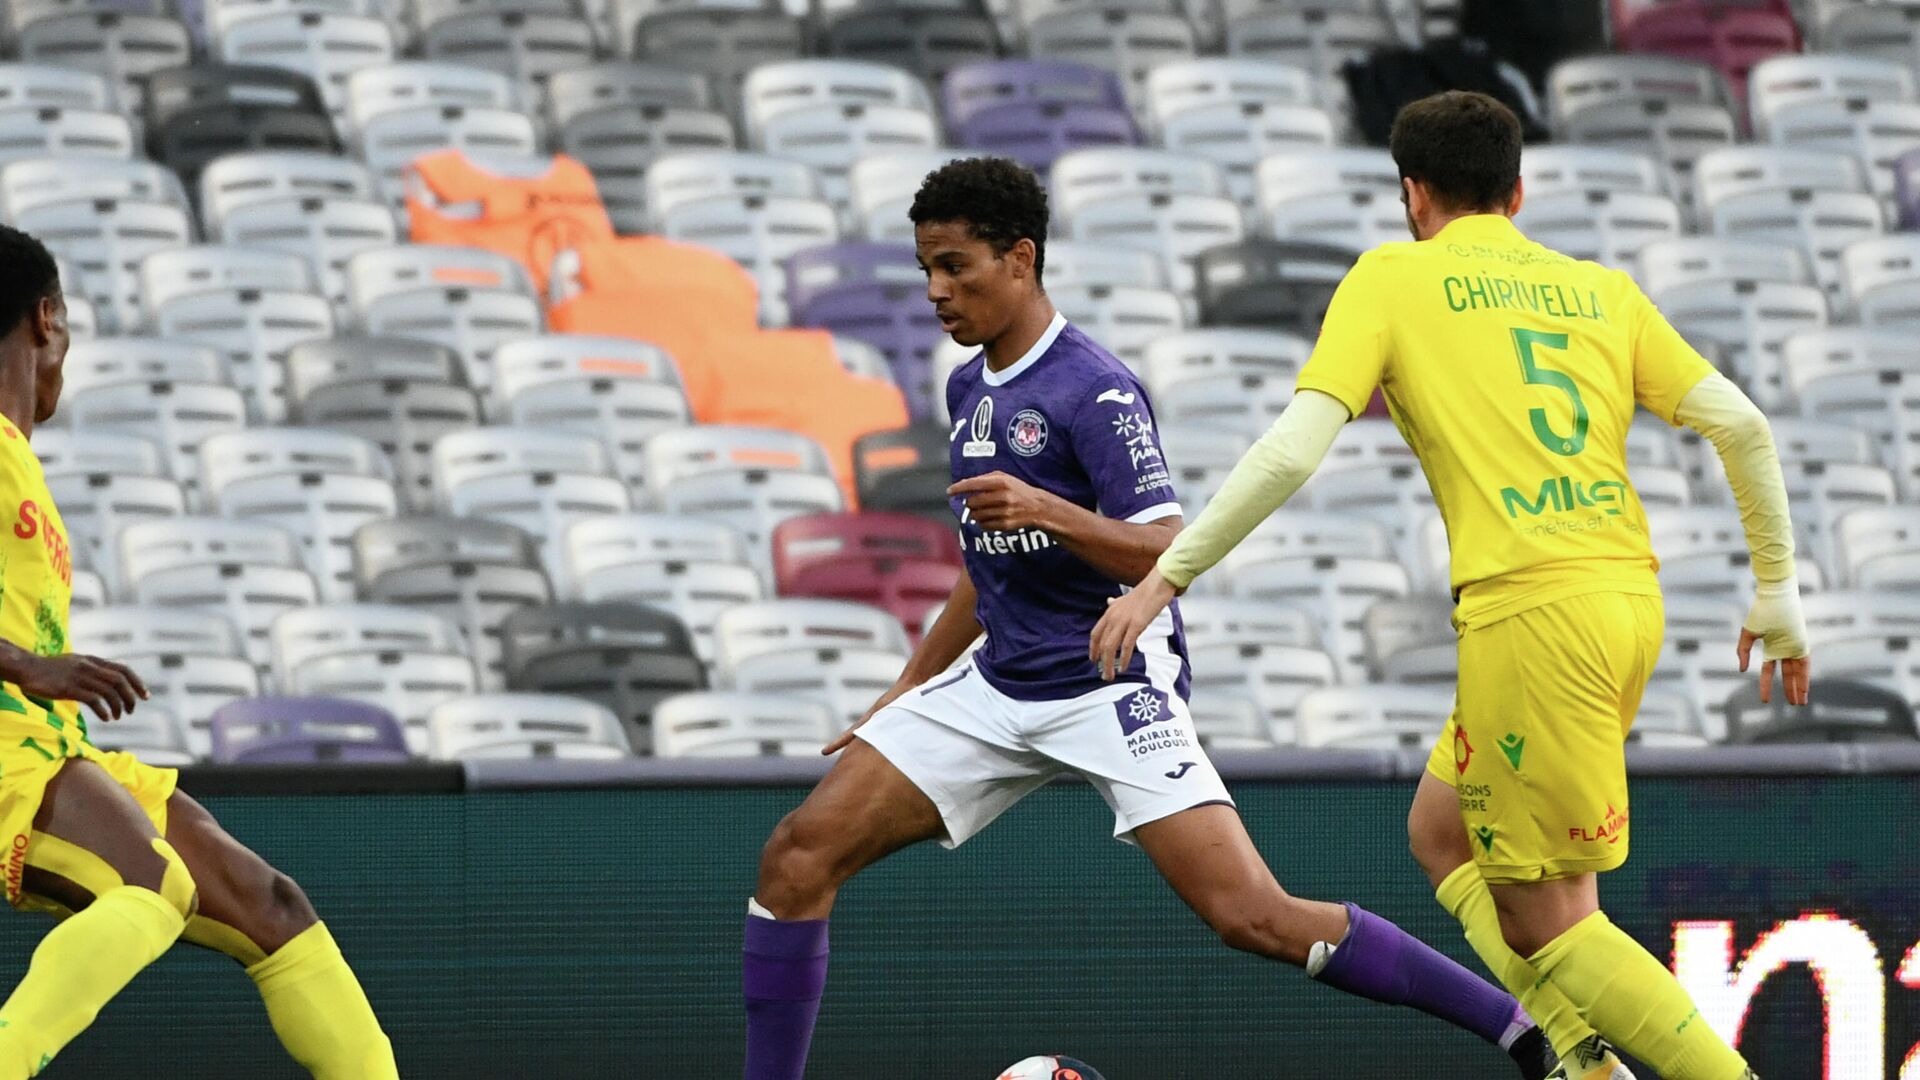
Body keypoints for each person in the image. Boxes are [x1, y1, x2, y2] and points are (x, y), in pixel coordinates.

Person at [742, 156, 1567, 1080]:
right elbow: (986, 563)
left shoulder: (1096, 390)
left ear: (1020, 259)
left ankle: (1521, 1032)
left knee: (1252, 915)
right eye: (926, 269)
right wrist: (910, 684)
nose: (936, 291)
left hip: (1107, 680)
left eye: (955, 266)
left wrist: (1050, 509)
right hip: (997, 680)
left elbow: (1174, 549)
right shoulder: (967, 388)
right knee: (796, 860)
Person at [1091, 91, 1808, 1080]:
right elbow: (1744, 426)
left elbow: (1295, 451)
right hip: (1626, 603)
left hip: (1531, 618)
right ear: (1517, 191)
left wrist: (1162, 578)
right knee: (1441, 827)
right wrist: (1776, 594)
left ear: (1412, 194)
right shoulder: (1599, 288)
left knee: (1549, 921)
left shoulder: (1395, 276)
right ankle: (1579, 1058)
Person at [0, 225, 399, 1080]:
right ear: (47, 320)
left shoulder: (18, 460)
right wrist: (23, 665)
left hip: (49, 745)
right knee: (149, 886)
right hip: (5, 747)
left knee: (271, 906)